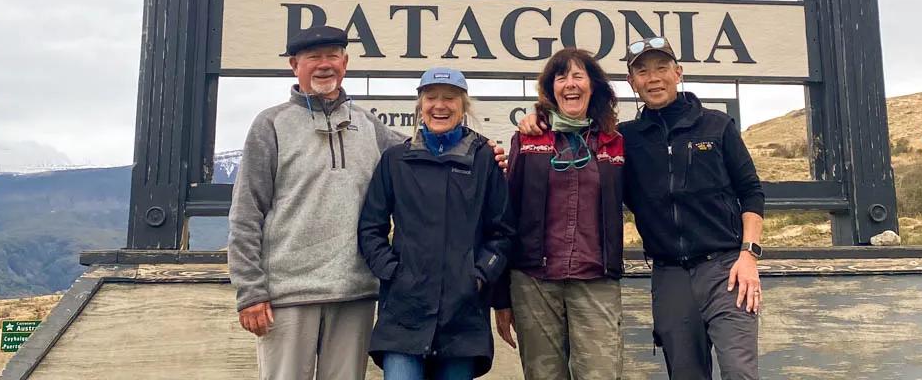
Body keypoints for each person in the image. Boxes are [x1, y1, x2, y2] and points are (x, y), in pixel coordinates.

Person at [227, 27, 507, 380]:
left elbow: (430, 153)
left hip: (355, 294)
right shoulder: (270, 125)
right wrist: (251, 291)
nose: (325, 65)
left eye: (333, 56)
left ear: (345, 63)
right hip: (288, 294)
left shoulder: (367, 124)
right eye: (314, 57)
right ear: (294, 65)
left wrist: (488, 152)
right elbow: (245, 214)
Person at [620, 36, 765, 380]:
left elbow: (751, 192)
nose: (653, 78)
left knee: (740, 373)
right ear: (632, 82)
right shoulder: (625, 139)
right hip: (669, 275)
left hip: (728, 270)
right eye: (642, 71)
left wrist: (749, 256)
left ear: (678, 72)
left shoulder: (717, 125)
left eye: (661, 68)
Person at [358, 68, 514, 380]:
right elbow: (370, 227)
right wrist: (392, 271)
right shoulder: (395, 160)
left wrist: (480, 275)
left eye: (449, 98)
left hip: (463, 315)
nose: (439, 105)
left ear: (463, 105)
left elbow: (503, 233)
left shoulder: (485, 159)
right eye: (431, 97)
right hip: (404, 313)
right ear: (420, 104)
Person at [493, 47, 626, 380]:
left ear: (593, 86)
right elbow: (505, 217)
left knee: (601, 373)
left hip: (596, 277)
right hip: (533, 281)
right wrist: (500, 297)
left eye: (579, 76)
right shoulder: (526, 138)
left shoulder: (616, 142)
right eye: (561, 77)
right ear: (550, 89)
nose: (570, 84)